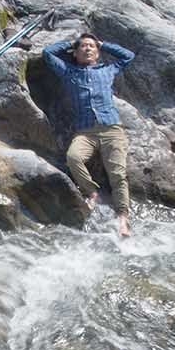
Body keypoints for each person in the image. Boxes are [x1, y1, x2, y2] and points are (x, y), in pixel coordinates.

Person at [42, 31, 136, 237]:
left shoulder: (109, 70)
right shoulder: (68, 72)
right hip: (85, 132)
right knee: (73, 157)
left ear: (98, 53)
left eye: (91, 46)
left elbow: (128, 56)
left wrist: (103, 43)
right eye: (83, 46)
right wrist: (70, 43)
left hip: (112, 129)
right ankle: (92, 192)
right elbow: (48, 53)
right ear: (75, 53)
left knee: (118, 174)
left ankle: (123, 218)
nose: (87, 49)